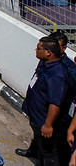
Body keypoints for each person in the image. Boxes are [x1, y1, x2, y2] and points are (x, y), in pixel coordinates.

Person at [17, 36, 73, 165]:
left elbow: (55, 103)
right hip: (37, 118)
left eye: (39, 48)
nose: (36, 50)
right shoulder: (46, 64)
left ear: (49, 52)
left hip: (45, 122)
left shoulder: (57, 75)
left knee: (49, 156)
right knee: (42, 151)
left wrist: (48, 125)